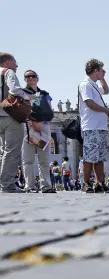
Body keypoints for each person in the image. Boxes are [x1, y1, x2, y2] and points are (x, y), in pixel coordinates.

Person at [78, 58, 109, 193]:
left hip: (101, 126)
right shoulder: (85, 84)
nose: (103, 72)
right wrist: (106, 110)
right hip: (91, 125)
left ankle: (100, 182)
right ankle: (85, 183)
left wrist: (103, 78)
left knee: (100, 157)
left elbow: (106, 90)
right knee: (89, 156)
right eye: (101, 70)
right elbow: (89, 104)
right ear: (95, 71)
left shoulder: (94, 85)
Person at [0, 52, 33, 193]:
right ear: (7, 62)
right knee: (12, 151)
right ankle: (7, 184)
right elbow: (15, 90)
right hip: (9, 115)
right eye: (15, 62)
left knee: (3, 152)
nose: (16, 65)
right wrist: (26, 97)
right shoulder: (9, 73)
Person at [20, 69, 55, 193]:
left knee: (44, 159)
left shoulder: (44, 94)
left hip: (43, 127)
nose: (30, 78)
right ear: (24, 79)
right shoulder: (21, 93)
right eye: (27, 76)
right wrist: (32, 123)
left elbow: (49, 112)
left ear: (37, 78)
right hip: (27, 127)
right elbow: (19, 110)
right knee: (28, 158)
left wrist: (39, 123)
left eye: (33, 76)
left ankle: (46, 186)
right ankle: (30, 186)